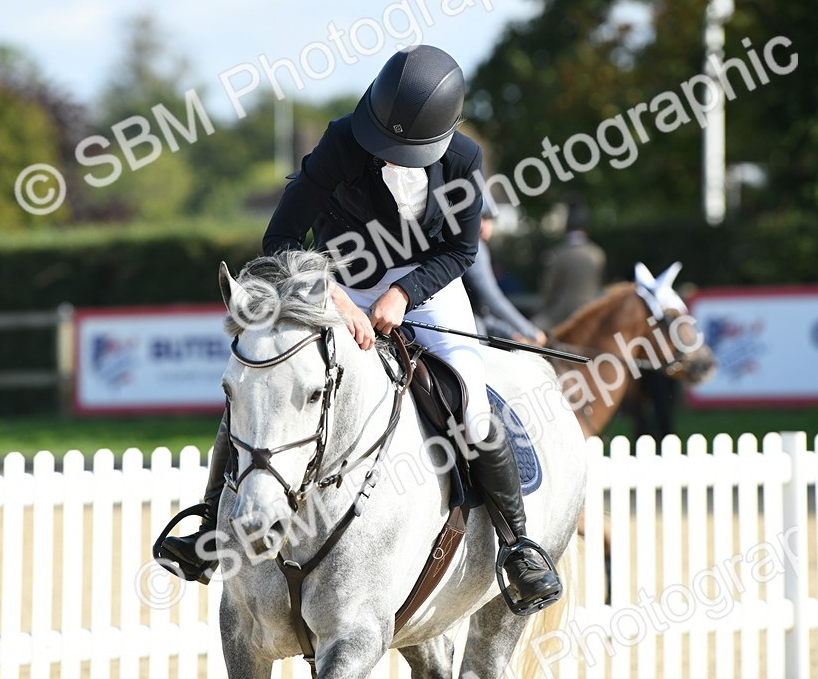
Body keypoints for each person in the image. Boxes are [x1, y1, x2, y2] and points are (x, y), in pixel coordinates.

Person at [160, 44, 561, 609]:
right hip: (338, 280)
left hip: (428, 283)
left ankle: (519, 546)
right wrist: (336, 298)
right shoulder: (342, 141)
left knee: (470, 399)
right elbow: (280, 239)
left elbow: (462, 249)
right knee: (269, 384)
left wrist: (403, 293)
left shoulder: (463, 160)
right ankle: (209, 523)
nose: (392, 157)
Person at [462, 201, 547, 345]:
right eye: (485, 218)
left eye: (489, 219)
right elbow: (492, 298)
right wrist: (531, 332)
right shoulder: (475, 247)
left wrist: (511, 333)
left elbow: (480, 313)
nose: (488, 226)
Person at [532, 204, 606, 332]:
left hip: (563, 314)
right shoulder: (598, 254)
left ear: (567, 228)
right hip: (591, 312)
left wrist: (540, 309)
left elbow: (549, 289)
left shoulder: (559, 254)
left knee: (531, 330)